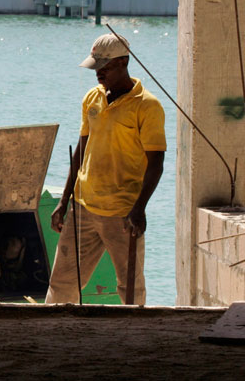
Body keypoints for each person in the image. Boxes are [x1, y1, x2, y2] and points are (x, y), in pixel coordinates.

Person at [46, 33, 166, 305]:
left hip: (122, 213)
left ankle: (132, 340)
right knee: (62, 283)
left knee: (130, 289)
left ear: (124, 62)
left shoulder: (148, 106)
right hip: (83, 209)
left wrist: (139, 208)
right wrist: (64, 201)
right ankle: (53, 337)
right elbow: (80, 151)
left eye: (105, 67)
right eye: (95, 67)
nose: (99, 73)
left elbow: (156, 163)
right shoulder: (92, 98)